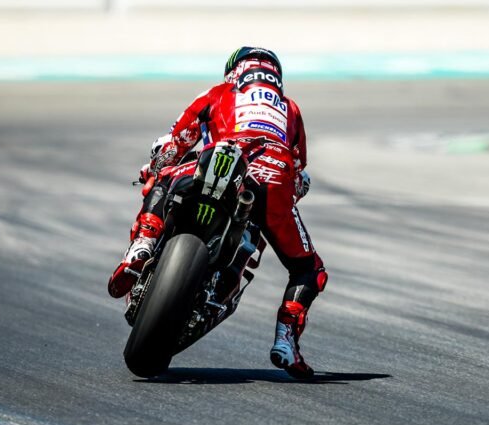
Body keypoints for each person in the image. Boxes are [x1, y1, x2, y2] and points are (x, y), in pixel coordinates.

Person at [107, 47, 327, 379]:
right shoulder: (290, 108)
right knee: (309, 270)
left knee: (164, 179)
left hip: (215, 163)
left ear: (234, 72)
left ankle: (142, 246)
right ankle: (286, 341)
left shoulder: (218, 93)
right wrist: (288, 195)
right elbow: (298, 174)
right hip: (272, 181)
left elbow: (174, 143)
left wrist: (153, 167)